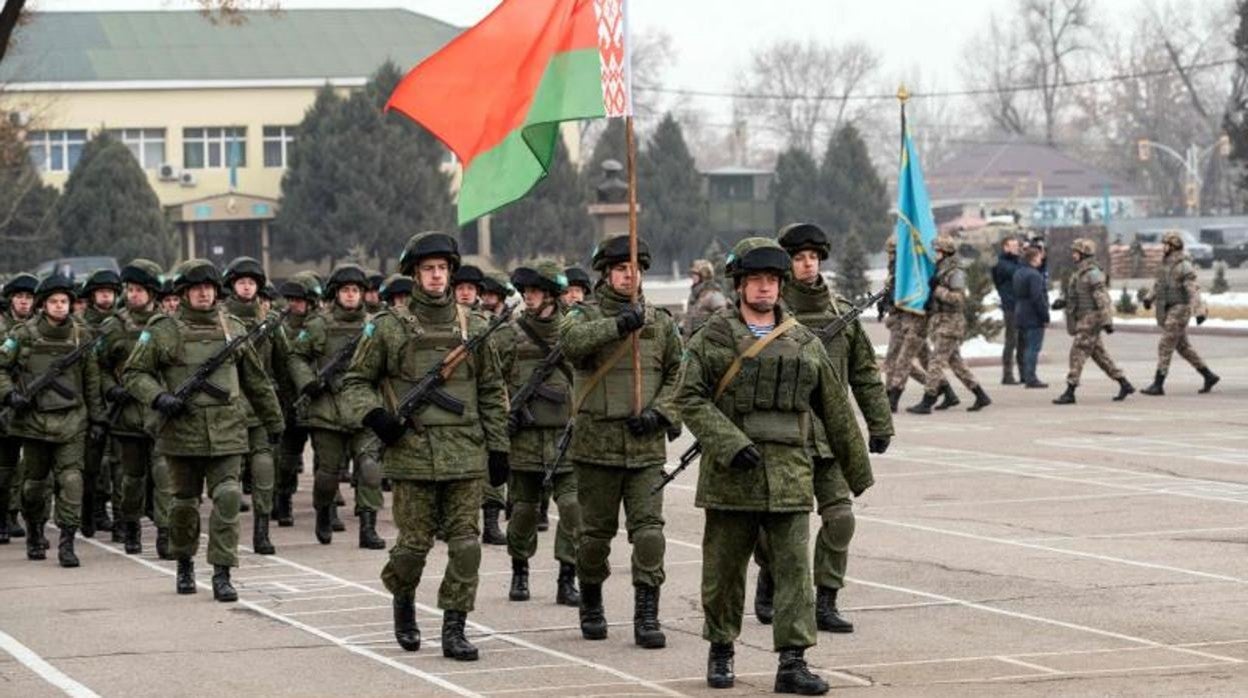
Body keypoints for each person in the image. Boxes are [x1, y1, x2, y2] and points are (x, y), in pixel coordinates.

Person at [678, 237, 873, 694]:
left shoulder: (804, 342)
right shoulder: (714, 337)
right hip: (731, 476)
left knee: (793, 574)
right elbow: (687, 397)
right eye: (755, 281)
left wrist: (857, 470)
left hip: (789, 476)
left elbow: (834, 409)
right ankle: (721, 649)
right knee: (724, 572)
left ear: (780, 285)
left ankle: (792, 661)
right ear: (740, 285)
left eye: (771, 281)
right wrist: (728, 441)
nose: (764, 289)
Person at [344, 232, 509, 661]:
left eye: (442, 269)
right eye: (428, 269)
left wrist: (499, 448)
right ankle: (403, 600)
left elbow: (492, 390)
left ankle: (455, 626)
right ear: (415, 274)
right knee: (413, 547)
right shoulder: (388, 327)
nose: (436, 276)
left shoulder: (474, 326)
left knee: (467, 545)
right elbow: (355, 383)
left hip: (465, 452)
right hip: (412, 453)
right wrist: (378, 419)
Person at [752, 222, 892, 635]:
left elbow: (865, 372)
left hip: (831, 436)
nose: (807, 264)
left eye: (813, 257)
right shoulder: (770, 315)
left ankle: (826, 599)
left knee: (841, 519)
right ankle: (770, 577)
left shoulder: (840, 312)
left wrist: (879, 422)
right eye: (798, 258)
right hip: (785, 436)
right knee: (772, 528)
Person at [122, 259, 283, 601]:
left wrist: (274, 421)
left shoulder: (234, 328)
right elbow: (135, 373)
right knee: (183, 505)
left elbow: (256, 381)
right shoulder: (164, 329)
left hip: (228, 431)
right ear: (182, 293)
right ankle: (184, 563)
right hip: (181, 432)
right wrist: (160, 397)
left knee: (227, 496)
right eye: (196, 288)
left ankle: (222, 572)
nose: (204, 293)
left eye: (209, 288)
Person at [559, 234, 683, 648]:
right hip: (597, 448)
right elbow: (570, 346)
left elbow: (678, 376)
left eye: (636, 268)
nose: (630, 275)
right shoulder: (583, 315)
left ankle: (647, 614)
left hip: (645, 448)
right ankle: (590, 599)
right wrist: (617, 325)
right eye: (621, 268)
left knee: (649, 533)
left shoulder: (661, 322)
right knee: (594, 538)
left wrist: (660, 413)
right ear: (606, 273)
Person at [0, 275, 105, 567]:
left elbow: (92, 381)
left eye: (64, 301)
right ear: (43, 304)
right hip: (33, 423)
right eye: (54, 301)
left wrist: (98, 420)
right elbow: (1, 369)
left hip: (72, 421)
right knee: (34, 486)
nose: (60, 306)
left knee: (71, 480)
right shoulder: (24, 335)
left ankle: (67, 542)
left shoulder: (81, 337)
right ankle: (34, 531)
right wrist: (10, 396)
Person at [500, 260, 580, 607]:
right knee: (523, 512)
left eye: (534, 291)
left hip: (567, 437)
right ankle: (520, 568)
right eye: (525, 291)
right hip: (526, 438)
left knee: (574, 509)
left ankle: (567, 576)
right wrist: (505, 414)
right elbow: (492, 381)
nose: (528, 297)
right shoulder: (510, 334)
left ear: (551, 295)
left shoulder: (574, 333)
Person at [288, 264, 385, 549]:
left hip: (366, 408)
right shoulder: (319, 325)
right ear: (336, 293)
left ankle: (368, 527)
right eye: (346, 290)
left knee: (369, 467)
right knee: (328, 473)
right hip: (328, 408)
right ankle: (323, 512)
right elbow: (296, 357)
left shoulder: (376, 324)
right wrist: (308, 382)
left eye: (356, 290)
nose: (351, 295)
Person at [97, 259, 172, 556]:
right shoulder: (112, 326)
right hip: (126, 415)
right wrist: (111, 389)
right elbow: (99, 367)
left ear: (152, 292)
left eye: (139, 289)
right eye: (129, 289)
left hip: (159, 411)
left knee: (164, 474)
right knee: (131, 479)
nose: (133, 295)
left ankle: (165, 533)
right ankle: (130, 525)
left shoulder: (168, 325)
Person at [222, 256, 289, 554]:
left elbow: (284, 365)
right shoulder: (221, 321)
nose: (247, 287)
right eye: (241, 282)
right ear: (232, 286)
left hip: (262, 406)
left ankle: (261, 532)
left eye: (252, 283)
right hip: (230, 408)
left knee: (264, 468)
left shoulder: (271, 322)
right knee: (229, 477)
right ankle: (227, 533)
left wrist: (286, 404)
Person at [907, 235, 992, 414]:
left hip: (951, 323)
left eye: (937, 250)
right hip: (942, 323)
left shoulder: (955, 272)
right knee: (956, 363)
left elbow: (959, 299)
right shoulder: (940, 270)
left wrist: (938, 290)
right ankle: (980, 394)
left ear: (944, 252)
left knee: (935, 362)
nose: (934, 253)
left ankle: (928, 400)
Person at [1051, 239, 1135, 404]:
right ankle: (1124, 383)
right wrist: (1064, 301)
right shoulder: (1080, 273)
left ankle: (1070, 391)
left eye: (1075, 252)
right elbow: (1077, 296)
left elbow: (1103, 298)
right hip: (1084, 317)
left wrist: (1107, 321)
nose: (1073, 255)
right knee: (1100, 356)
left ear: (1083, 253)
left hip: (1091, 319)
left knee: (1077, 352)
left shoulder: (1093, 273)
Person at [1139, 231, 1220, 395]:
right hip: (1168, 308)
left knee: (1165, 344)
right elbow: (1158, 285)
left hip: (1180, 309)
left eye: (1166, 244)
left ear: (1173, 246)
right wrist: (1149, 299)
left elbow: (1193, 290)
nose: (1163, 247)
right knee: (1183, 348)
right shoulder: (1165, 265)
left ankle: (1158, 383)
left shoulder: (1184, 266)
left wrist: (1199, 310)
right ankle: (1208, 375)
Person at [274, 272, 322, 528]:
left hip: (318, 399)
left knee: (325, 459)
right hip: (288, 400)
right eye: (291, 299)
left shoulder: (322, 325)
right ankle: (283, 499)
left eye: (300, 299)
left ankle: (326, 508)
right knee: (287, 459)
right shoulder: (278, 327)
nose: (294, 304)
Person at [79, 269, 122, 541]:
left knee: (115, 463)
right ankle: (88, 512)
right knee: (92, 463)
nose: (106, 296)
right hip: (88, 402)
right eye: (101, 292)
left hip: (117, 401)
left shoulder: (122, 324)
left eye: (110, 291)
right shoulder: (82, 327)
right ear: (93, 295)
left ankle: (107, 513)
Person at [0, 273, 39, 544]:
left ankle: (28, 520)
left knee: (34, 469)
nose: (24, 302)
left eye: (29, 297)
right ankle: (4, 517)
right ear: (11, 300)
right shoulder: (3, 328)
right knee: (6, 466)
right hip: (6, 402)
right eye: (19, 297)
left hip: (36, 403)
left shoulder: (40, 327)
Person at [1011, 247, 1050, 388]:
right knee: (1033, 348)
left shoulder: (1018, 273)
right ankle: (1031, 377)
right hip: (1033, 315)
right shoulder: (1034, 275)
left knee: (1024, 347)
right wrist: (1045, 316)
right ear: (1033, 259)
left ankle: (1024, 375)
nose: (1041, 259)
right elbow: (1037, 297)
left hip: (1020, 312)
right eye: (1039, 257)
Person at [992, 236, 1025, 384]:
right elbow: (1017, 273)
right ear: (1005, 247)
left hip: (1021, 305)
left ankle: (1024, 373)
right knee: (1011, 340)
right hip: (1011, 306)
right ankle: (1007, 374)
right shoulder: (1001, 263)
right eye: (1013, 246)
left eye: (1017, 245)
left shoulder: (1017, 261)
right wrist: (1025, 258)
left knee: (1023, 341)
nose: (1017, 248)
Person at [683, 258, 728, 338]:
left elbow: (723, 321)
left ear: (703, 275)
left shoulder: (713, 295)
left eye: (695, 274)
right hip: (692, 345)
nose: (692, 277)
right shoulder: (695, 296)